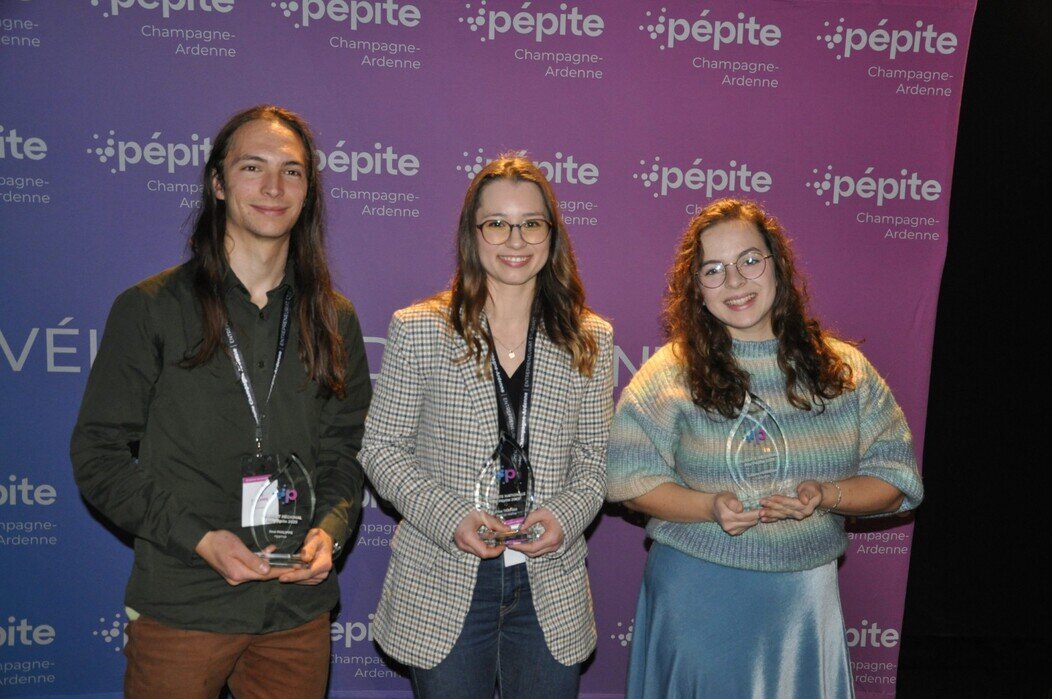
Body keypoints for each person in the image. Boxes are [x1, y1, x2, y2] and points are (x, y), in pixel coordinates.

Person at [70, 104, 372, 698]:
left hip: (295, 610)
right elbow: (98, 455)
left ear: (309, 192)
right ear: (217, 183)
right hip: (184, 605)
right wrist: (201, 538)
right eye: (252, 167)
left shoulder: (334, 318)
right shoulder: (152, 308)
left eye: (292, 172)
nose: (272, 187)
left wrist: (329, 533)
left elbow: (348, 451)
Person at [605, 198, 923, 697]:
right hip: (697, 599)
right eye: (714, 270)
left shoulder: (845, 371)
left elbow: (897, 482)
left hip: (801, 608)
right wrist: (708, 507)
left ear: (778, 264)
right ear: (697, 290)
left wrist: (826, 494)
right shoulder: (670, 372)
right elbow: (626, 476)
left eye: (749, 260)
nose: (735, 282)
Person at [358, 153, 613, 698]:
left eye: (531, 223)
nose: (515, 240)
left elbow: (595, 460)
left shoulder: (590, 338)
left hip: (550, 585)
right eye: (497, 223)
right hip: (444, 577)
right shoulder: (421, 329)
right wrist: (451, 517)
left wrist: (564, 516)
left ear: (552, 234)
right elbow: (381, 448)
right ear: (473, 235)